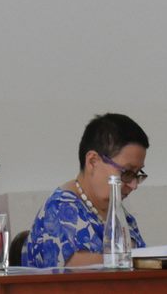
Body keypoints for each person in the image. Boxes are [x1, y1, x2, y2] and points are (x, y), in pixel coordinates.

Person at [23, 113, 149, 267]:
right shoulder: (60, 210)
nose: (134, 185)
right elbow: (87, 275)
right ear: (92, 161)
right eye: (127, 173)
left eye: (137, 174)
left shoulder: (122, 216)